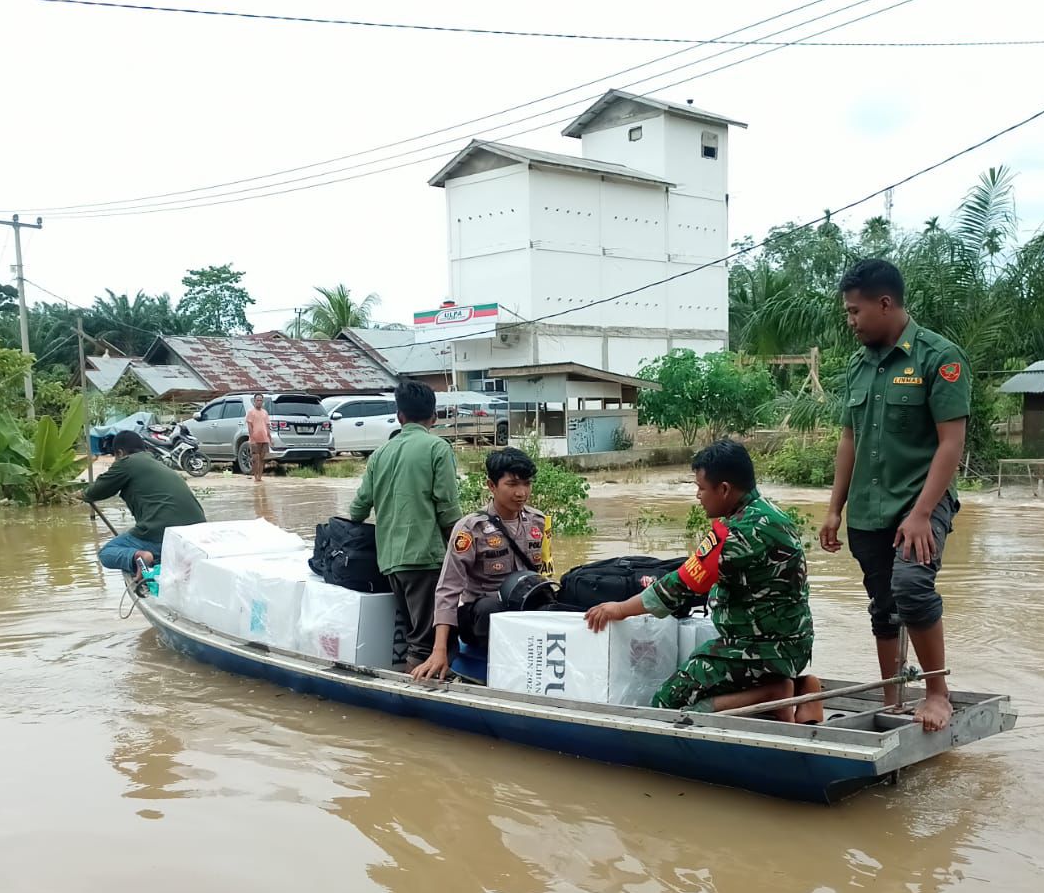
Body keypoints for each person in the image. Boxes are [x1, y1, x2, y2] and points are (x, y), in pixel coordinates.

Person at [821, 258, 969, 732]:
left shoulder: (938, 358)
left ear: (885, 304)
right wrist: (835, 508)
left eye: (855, 311)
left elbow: (951, 443)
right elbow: (849, 438)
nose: (851, 321)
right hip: (869, 506)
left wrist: (922, 513)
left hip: (921, 501)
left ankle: (937, 693)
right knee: (883, 604)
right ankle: (892, 698)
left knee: (912, 587)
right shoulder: (857, 365)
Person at [586, 439, 820, 719]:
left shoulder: (736, 535)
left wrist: (619, 609)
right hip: (794, 644)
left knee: (666, 705)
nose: (698, 496)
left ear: (724, 489)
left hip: (760, 651)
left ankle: (774, 693)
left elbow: (676, 588)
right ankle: (797, 689)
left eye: (701, 488)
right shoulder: (771, 513)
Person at [348, 380, 462, 670]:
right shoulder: (437, 448)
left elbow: (358, 509)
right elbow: (448, 509)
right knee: (427, 642)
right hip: (425, 559)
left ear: (399, 416)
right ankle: (415, 693)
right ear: (434, 417)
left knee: (417, 635)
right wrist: (462, 554)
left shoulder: (380, 454)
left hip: (390, 562)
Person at [413, 448, 550, 681]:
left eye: (527, 484)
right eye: (512, 484)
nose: (521, 493)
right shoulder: (470, 529)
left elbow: (545, 574)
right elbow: (448, 590)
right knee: (490, 608)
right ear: (491, 485)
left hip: (523, 610)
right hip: (481, 616)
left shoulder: (539, 522)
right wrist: (439, 650)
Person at [83, 429, 206, 575]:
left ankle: (140, 556)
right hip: (196, 534)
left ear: (120, 453)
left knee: (107, 553)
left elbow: (96, 492)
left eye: (115, 456)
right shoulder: (159, 463)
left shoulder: (127, 463)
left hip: (162, 534)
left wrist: (81, 494)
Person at [244, 394, 272, 482]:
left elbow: (267, 426)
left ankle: (260, 477)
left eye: (261, 400)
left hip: (264, 439)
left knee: (262, 459)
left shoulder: (265, 412)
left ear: (262, 402)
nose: (259, 402)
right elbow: (249, 426)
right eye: (257, 400)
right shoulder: (251, 412)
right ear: (254, 401)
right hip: (255, 439)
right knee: (255, 459)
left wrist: (270, 438)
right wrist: (252, 438)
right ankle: (256, 477)